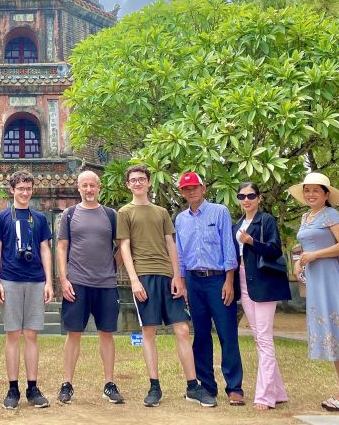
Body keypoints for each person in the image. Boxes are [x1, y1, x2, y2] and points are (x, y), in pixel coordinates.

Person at [117, 165, 210, 408]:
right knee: (149, 332)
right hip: (144, 276)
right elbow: (124, 247)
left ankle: (193, 386)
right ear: (128, 185)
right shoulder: (124, 212)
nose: (137, 183)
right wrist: (134, 279)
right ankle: (154, 386)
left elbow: (171, 244)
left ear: (149, 182)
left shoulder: (161, 212)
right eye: (133, 180)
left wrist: (178, 277)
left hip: (168, 277)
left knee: (181, 330)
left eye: (141, 179)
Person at [290, 172, 339, 413]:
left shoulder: (332, 215)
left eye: (316, 190)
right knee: (331, 334)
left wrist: (315, 255)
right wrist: (299, 259)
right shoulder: (306, 217)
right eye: (307, 190)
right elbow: (306, 245)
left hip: (332, 277)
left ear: (326, 194)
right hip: (315, 280)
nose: (311, 194)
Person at [174, 171, 244, 406]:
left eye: (194, 187)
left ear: (203, 188)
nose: (190, 191)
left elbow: (228, 247)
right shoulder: (181, 219)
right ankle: (207, 385)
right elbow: (181, 254)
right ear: (182, 193)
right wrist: (182, 282)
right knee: (201, 335)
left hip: (218, 279)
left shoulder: (219, 212)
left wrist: (229, 280)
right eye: (186, 189)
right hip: (194, 282)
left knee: (227, 333)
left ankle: (234, 387)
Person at [56, 170, 125, 405]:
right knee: (73, 333)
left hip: (106, 283)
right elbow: (62, 248)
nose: (88, 190)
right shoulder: (69, 214)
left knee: (106, 332)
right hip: (77, 283)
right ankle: (67, 383)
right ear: (78, 188)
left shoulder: (110, 215)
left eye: (92, 185)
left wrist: (111, 266)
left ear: (99, 187)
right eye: (84, 185)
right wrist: (64, 280)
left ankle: (109, 383)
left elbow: (121, 246)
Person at [0, 170, 54, 410]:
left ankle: (33, 387)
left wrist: (49, 281)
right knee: (12, 335)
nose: (25, 192)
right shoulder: (2, 217)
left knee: (31, 335)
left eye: (28, 188)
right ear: (12, 190)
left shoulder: (39, 218)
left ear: (32, 190)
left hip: (36, 279)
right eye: (20, 189)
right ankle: (13, 387)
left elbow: (45, 249)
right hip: (10, 279)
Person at [232, 182, 291, 410]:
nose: (246, 199)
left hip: (264, 282)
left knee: (264, 338)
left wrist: (251, 242)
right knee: (259, 337)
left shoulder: (265, 220)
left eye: (251, 195)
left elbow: (275, 249)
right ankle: (278, 391)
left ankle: (265, 395)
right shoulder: (237, 224)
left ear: (259, 197)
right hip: (245, 282)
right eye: (242, 196)